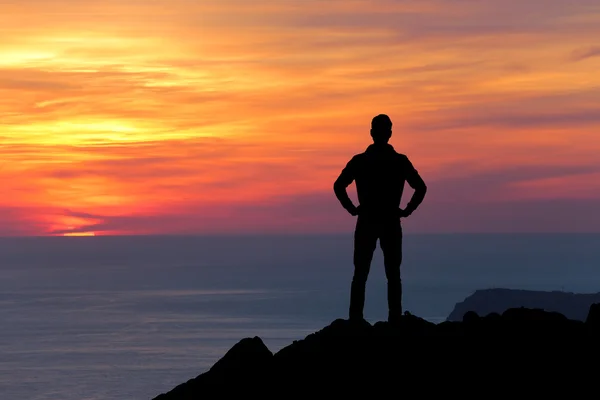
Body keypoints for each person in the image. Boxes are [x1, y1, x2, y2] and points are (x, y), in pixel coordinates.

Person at [334, 114, 427, 323]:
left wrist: (352, 209)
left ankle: (356, 319)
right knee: (391, 274)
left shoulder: (361, 161)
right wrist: (406, 210)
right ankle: (392, 318)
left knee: (362, 273)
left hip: (368, 220)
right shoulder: (399, 161)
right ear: (389, 133)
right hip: (389, 220)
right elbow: (421, 187)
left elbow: (338, 185)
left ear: (372, 133)